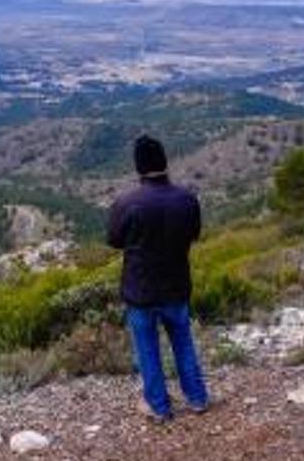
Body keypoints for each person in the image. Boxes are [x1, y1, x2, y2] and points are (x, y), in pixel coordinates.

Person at [106, 135, 209, 423]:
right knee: (183, 342)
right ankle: (198, 398)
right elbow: (193, 234)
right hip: (176, 286)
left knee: (147, 350)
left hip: (140, 291)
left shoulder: (126, 202)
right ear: (165, 161)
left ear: (138, 166)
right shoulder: (187, 199)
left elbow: (114, 240)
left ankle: (160, 407)